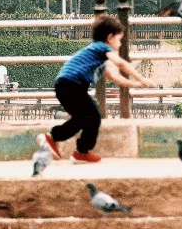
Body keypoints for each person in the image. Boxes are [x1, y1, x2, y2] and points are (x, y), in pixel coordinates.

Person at [44, 15, 157, 164]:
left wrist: (136, 85)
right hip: (72, 85)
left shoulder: (97, 55)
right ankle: (80, 152)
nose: (120, 44)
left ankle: (54, 139)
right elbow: (121, 63)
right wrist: (141, 78)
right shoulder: (101, 47)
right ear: (110, 38)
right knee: (94, 116)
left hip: (66, 85)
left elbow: (115, 77)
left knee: (81, 119)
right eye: (119, 39)